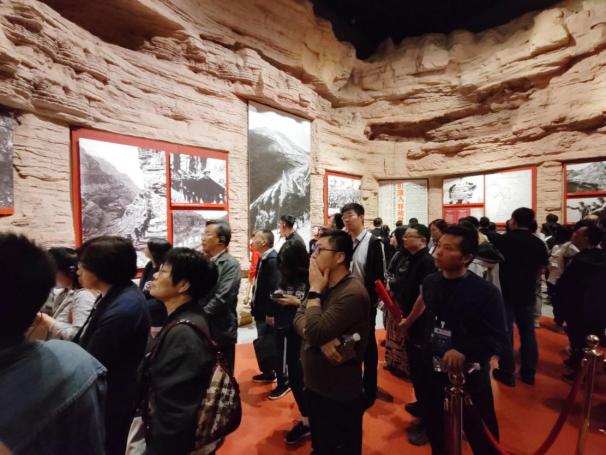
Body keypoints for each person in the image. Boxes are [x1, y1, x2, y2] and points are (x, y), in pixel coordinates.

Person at [401, 225, 508, 454]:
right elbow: (428, 311)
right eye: (439, 245)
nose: (438, 252)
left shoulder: (485, 292)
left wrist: (464, 351)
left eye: (448, 248)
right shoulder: (431, 282)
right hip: (433, 370)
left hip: (469, 375)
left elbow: (498, 338)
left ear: (467, 257)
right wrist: (409, 325)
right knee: (436, 430)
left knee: (481, 433)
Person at [0, 233, 106, 455]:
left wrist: (50, 322)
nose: (80, 271)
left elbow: (78, 332)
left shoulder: (82, 298)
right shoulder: (76, 362)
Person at [293, 229, 370, 455]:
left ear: (340, 257)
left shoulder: (352, 292)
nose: (313, 255)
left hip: (338, 391)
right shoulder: (323, 283)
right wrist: (318, 338)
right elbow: (298, 317)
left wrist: (314, 292)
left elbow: (314, 330)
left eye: (319, 250)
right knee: (321, 445)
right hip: (315, 385)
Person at [74, 236, 151, 455]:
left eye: (82, 265)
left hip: (112, 396)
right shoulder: (119, 294)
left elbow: (95, 359)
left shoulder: (124, 307)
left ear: (100, 269)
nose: (78, 271)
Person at [142, 247, 220, 454]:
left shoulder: (184, 334)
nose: (155, 275)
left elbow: (176, 413)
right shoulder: (184, 318)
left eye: (163, 271)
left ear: (183, 285)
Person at [493, 208, 548, 386]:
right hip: (526, 292)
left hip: (505, 292)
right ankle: (529, 372)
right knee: (528, 332)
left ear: (513, 220)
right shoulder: (537, 242)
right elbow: (541, 269)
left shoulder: (503, 240)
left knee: (506, 332)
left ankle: (507, 371)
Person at [341, 202, 385, 409]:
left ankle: (369, 388)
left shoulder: (373, 242)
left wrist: (371, 302)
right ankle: (352, 383)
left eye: (350, 215)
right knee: (348, 342)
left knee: (367, 345)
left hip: (364, 302)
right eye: (344, 217)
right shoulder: (344, 241)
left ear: (361, 217)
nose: (346, 220)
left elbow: (378, 277)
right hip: (344, 301)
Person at [397, 224, 436, 446]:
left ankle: (430, 424)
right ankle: (422, 406)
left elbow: (424, 298)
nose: (404, 239)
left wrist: (409, 321)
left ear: (422, 239)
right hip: (412, 321)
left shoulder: (427, 262)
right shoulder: (412, 259)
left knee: (425, 375)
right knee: (417, 371)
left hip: (421, 325)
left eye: (409, 236)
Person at [554, 221, 606, 374]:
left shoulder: (579, 260)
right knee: (592, 337)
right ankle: (587, 367)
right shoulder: (602, 257)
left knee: (577, 338)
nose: (574, 236)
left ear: (586, 239)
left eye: (577, 234)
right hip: (599, 306)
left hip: (578, 306)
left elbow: (567, 284)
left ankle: (578, 370)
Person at [274, 240, 311, 444]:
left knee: (307, 380)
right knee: (296, 378)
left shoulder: (312, 278)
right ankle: (307, 420)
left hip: (308, 335)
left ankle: (313, 421)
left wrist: (297, 302)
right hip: (289, 331)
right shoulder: (285, 277)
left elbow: (319, 305)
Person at [250, 229, 290, 399]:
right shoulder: (264, 258)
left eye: (256, 238)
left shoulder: (272, 260)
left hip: (269, 313)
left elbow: (275, 289)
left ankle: (283, 382)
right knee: (265, 344)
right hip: (261, 311)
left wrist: (271, 313)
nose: (252, 240)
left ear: (264, 242)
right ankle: (269, 372)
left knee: (275, 347)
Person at [200, 220, 241, 374]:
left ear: (221, 240)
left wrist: (198, 316)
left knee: (223, 375)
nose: (203, 237)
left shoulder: (230, 264)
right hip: (202, 328)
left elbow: (222, 298)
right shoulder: (203, 261)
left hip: (220, 329)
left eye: (208, 234)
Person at [30, 247, 96, 340]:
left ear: (69, 271)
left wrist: (48, 321)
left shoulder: (83, 296)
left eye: (51, 272)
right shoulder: (63, 292)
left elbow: (80, 335)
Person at [384, 225, 409, 377]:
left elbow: (403, 279)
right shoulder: (398, 254)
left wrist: (391, 284)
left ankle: (402, 365)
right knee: (392, 332)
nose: (391, 239)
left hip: (401, 300)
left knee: (400, 335)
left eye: (394, 236)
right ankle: (392, 361)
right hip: (393, 298)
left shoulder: (407, 256)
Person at [139, 238, 172, 327]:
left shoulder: (166, 270)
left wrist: (141, 305)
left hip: (159, 316)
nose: (144, 249)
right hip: (147, 311)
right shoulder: (149, 265)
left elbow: (164, 299)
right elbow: (141, 289)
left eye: (147, 247)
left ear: (154, 252)